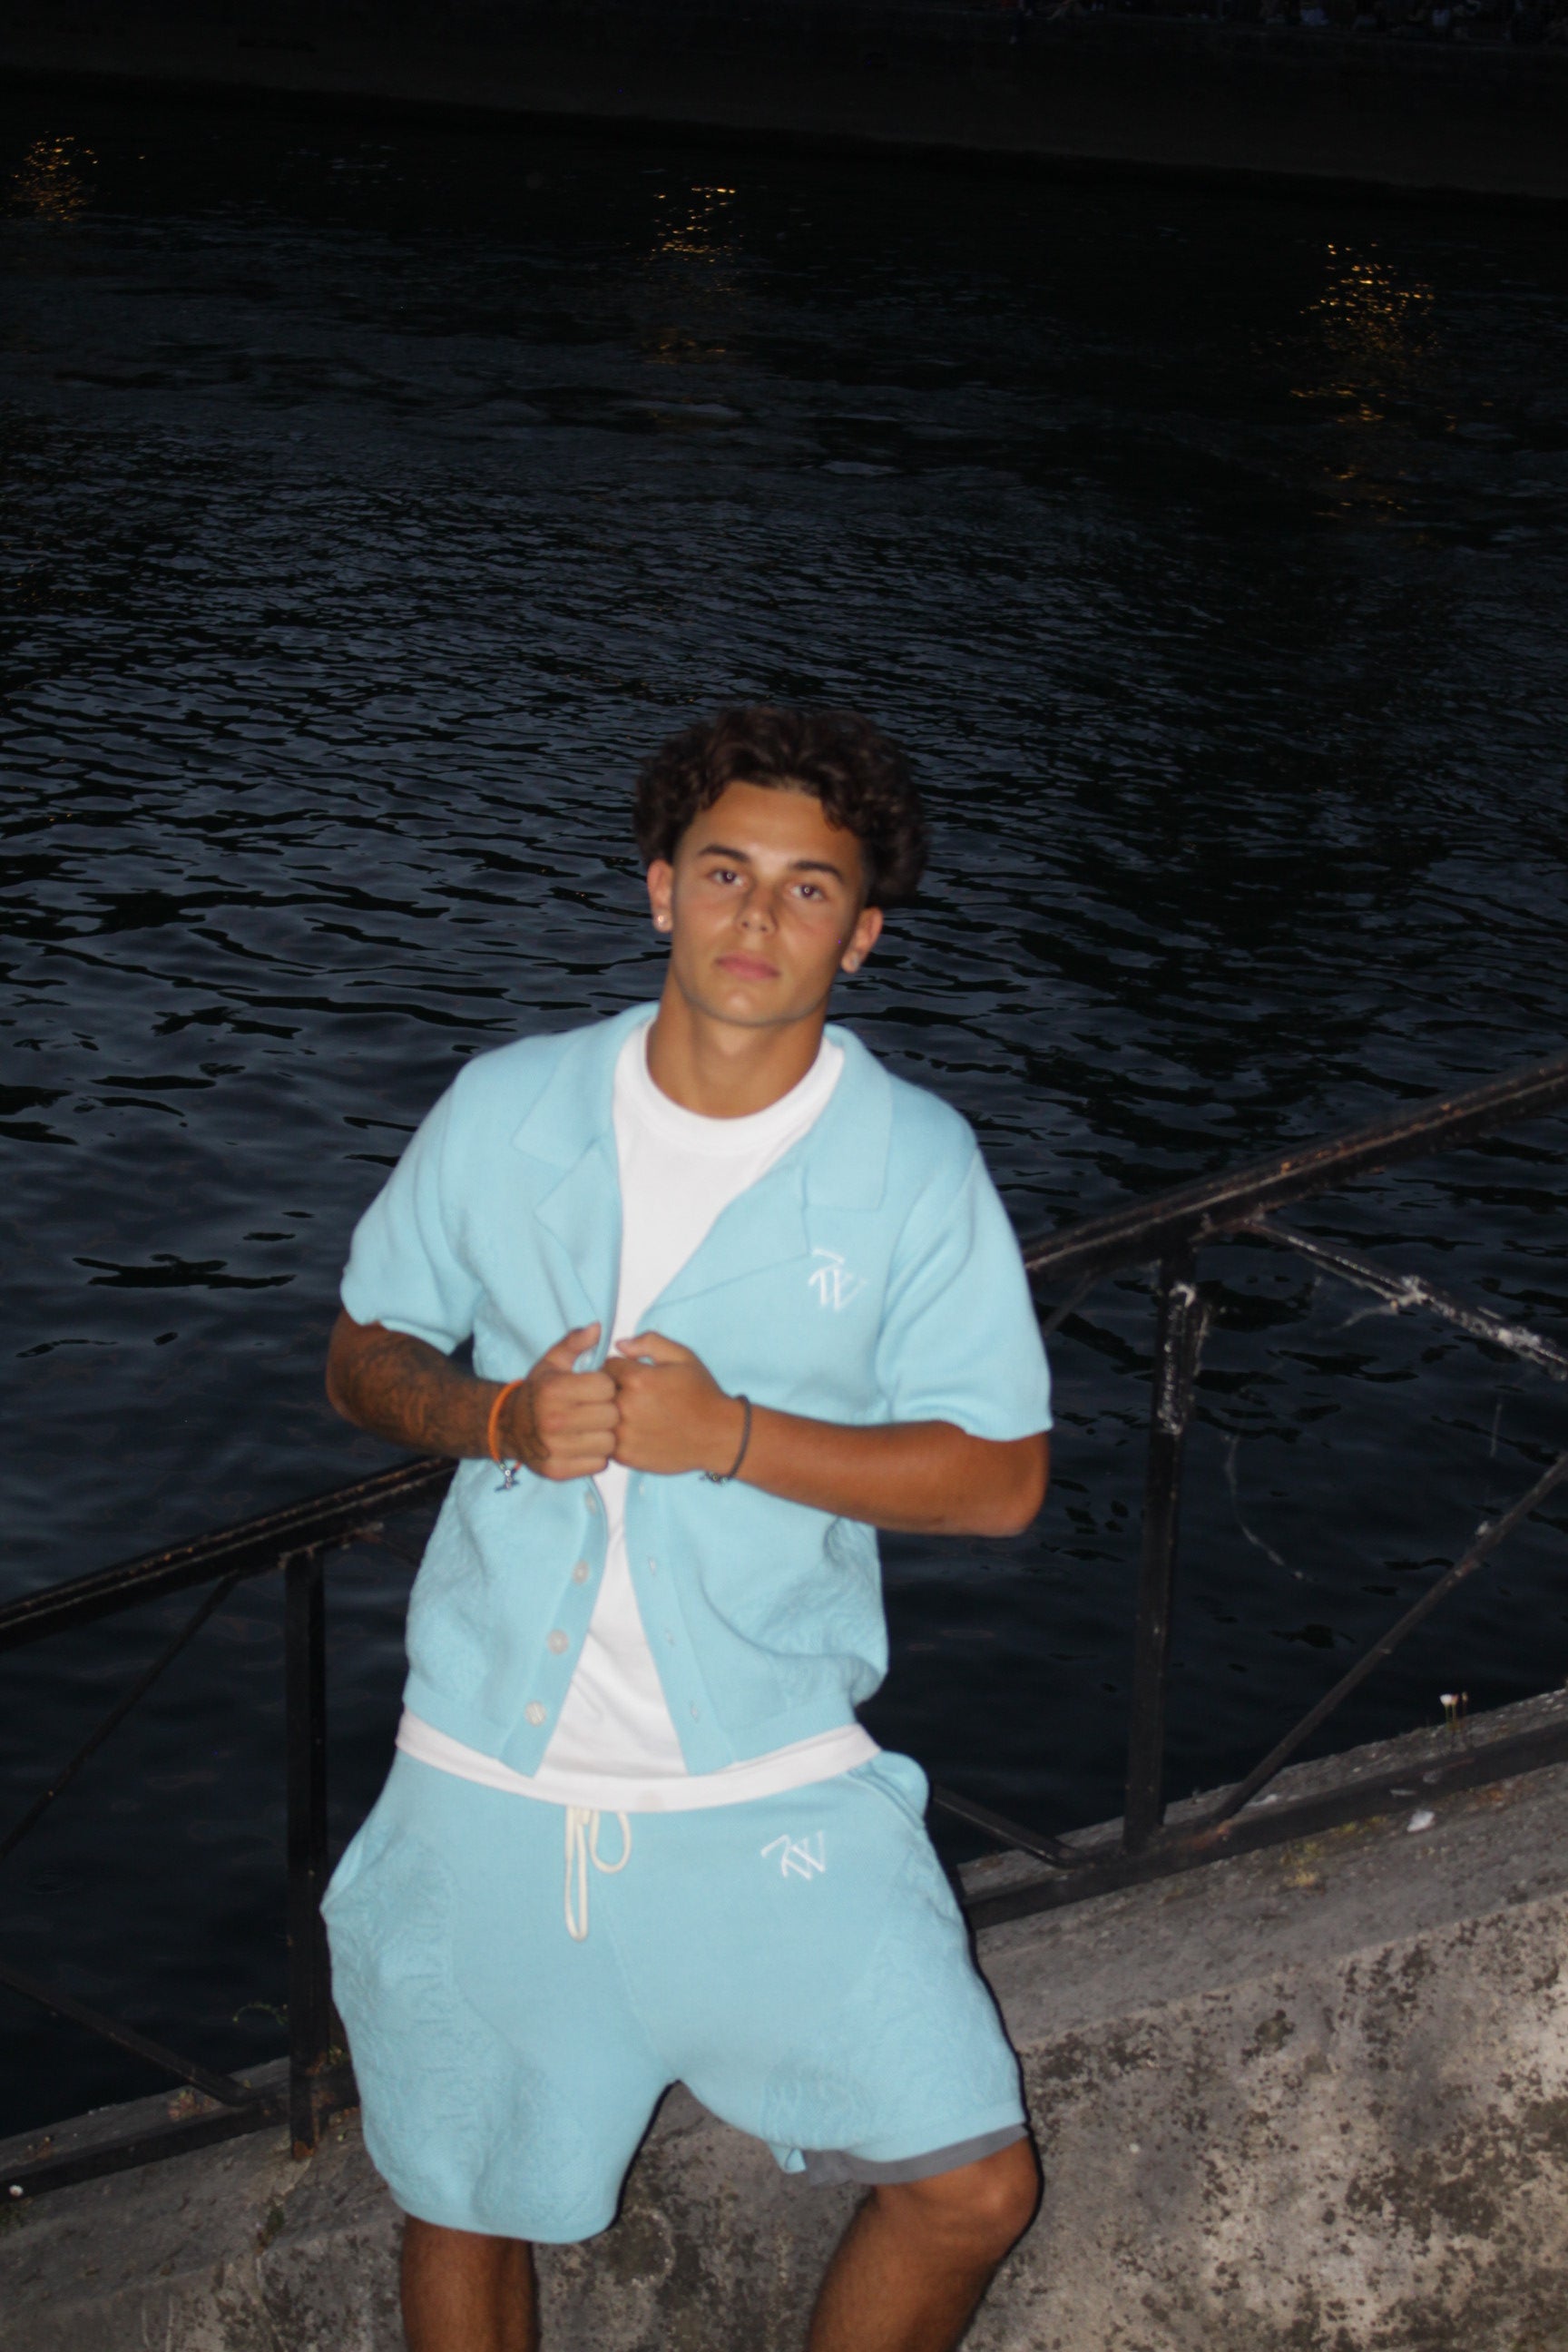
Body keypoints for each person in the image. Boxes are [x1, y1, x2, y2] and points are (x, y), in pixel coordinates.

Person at [321, 704, 1053, 2352]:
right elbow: (364, 1349)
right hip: (483, 1778)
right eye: (726, 871)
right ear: (660, 887)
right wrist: (497, 1420)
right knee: (461, 2201)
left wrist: (730, 1438)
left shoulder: (915, 1163)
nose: (757, 917)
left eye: (810, 888)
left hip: (768, 1782)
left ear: (862, 934)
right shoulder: (507, 1107)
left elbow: (1001, 1474)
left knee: (970, 2187)